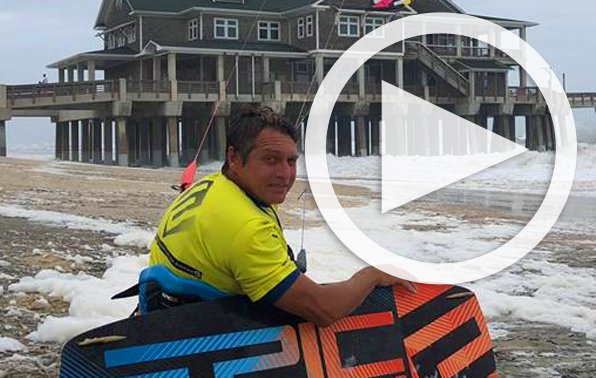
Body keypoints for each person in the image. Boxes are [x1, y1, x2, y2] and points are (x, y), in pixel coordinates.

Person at [144, 106, 414, 326]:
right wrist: (372, 275)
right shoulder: (247, 228)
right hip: (207, 336)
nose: (285, 174)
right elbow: (324, 311)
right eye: (270, 160)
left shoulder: (210, 185)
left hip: (163, 309)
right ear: (234, 158)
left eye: (291, 161)